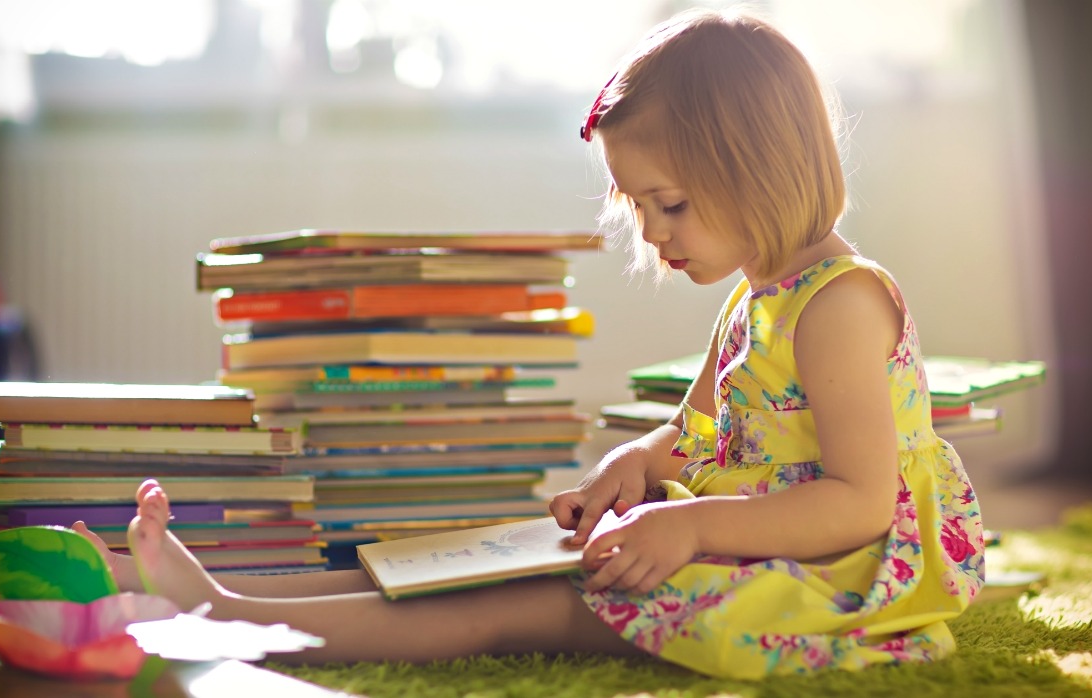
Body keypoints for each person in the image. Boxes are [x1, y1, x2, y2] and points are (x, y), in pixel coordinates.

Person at [74, 6, 984, 680]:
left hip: (838, 577)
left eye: (670, 204)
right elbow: (697, 433)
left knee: (527, 603)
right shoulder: (759, 299)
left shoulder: (840, 305)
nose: (655, 235)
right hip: (753, 537)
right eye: (639, 209)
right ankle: (237, 596)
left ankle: (233, 619)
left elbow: (862, 503)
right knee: (478, 561)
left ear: (763, 168)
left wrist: (695, 521)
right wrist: (632, 464)